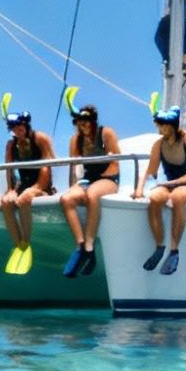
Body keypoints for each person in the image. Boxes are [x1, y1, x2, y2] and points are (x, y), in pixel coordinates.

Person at [131, 106, 186, 276]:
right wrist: (139, 189)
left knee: (178, 197)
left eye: (162, 125)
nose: (159, 128)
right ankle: (160, 246)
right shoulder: (158, 144)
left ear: (172, 125)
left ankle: (174, 251)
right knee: (154, 198)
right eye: (158, 124)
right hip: (169, 183)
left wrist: (171, 183)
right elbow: (150, 171)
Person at [58, 104, 119, 277]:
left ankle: (90, 246)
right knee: (66, 199)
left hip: (108, 178)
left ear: (93, 121)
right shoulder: (75, 140)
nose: (82, 125)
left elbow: (116, 163)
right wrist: (74, 186)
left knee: (92, 194)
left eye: (86, 122)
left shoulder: (106, 133)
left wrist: (93, 185)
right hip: (87, 180)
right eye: (79, 122)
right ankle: (80, 245)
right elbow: (74, 166)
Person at [0, 109, 55, 275]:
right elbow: (9, 169)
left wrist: (37, 188)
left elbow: (46, 167)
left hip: (41, 186)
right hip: (22, 185)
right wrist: (9, 189)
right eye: (12, 127)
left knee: (23, 200)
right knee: (6, 202)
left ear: (25, 124)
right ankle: (17, 244)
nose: (16, 130)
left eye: (19, 126)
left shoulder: (40, 138)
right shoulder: (11, 144)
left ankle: (26, 243)